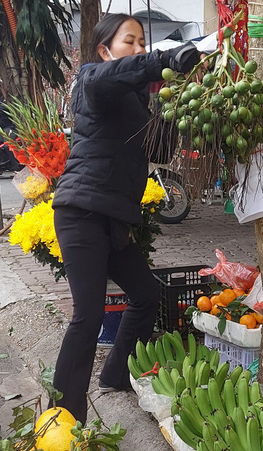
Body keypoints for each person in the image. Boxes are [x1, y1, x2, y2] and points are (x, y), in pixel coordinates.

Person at [49, 14, 199, 422]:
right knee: (88, 315)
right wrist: (160, 61)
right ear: (104, 50)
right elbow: (106, 79)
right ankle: (62, 419)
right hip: (81, 212)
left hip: (115, 218)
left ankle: (115, 374)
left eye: (141, 43)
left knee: (146, 294)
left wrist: (173, 100)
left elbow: (162, 149)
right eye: (128, 42)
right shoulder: (92, 81)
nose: (137, 49)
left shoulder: (136, 100)